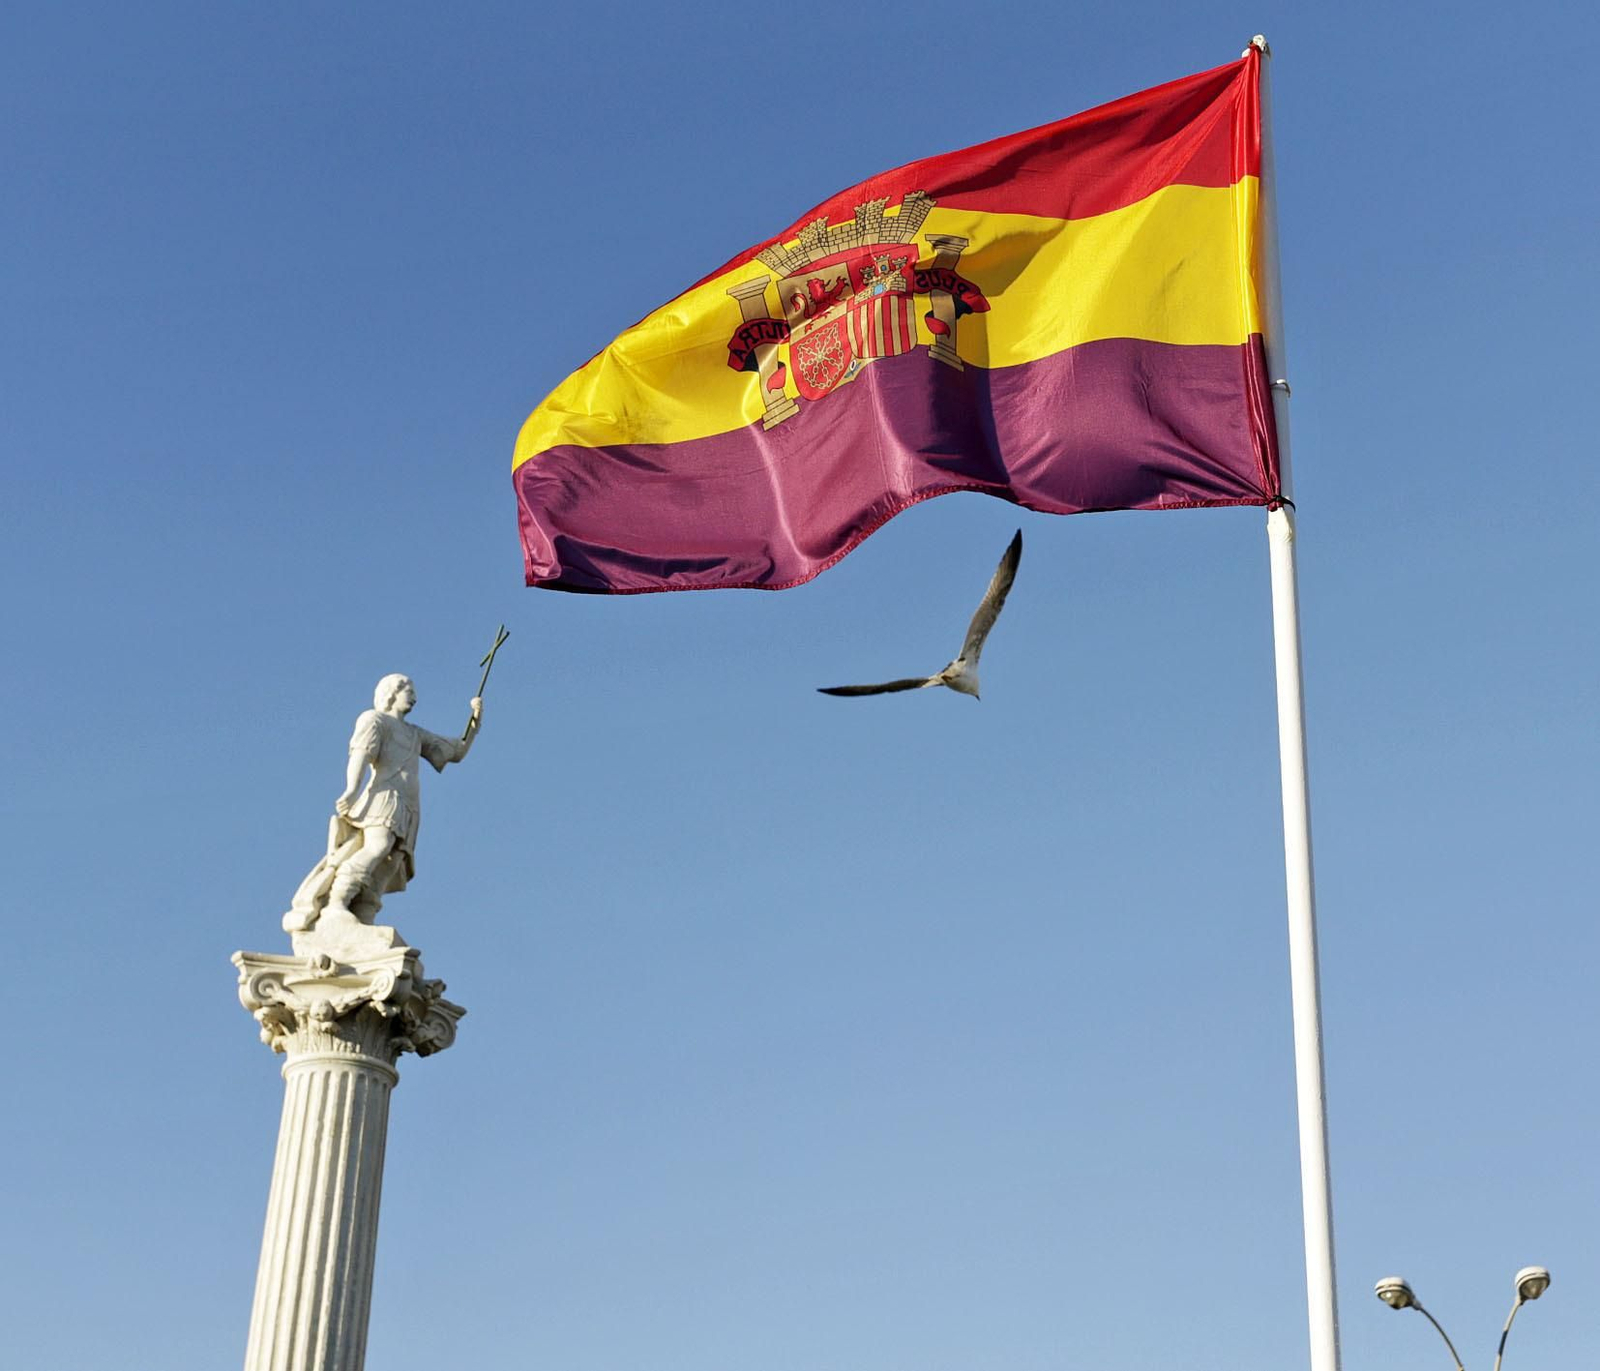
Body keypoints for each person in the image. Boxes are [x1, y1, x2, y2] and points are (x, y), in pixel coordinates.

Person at [286, 674, 481, 932]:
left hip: (408, 803)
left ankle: (364, 913)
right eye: (407, 690)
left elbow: (455, 751)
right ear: (391, 693)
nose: (414, 696)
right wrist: (351, 790)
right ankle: (336, 903)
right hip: (384, 797)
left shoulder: (414, 733)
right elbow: (361, 754)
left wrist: (474, 721)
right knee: (378, 846)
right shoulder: (374, 720)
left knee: (393, 860)